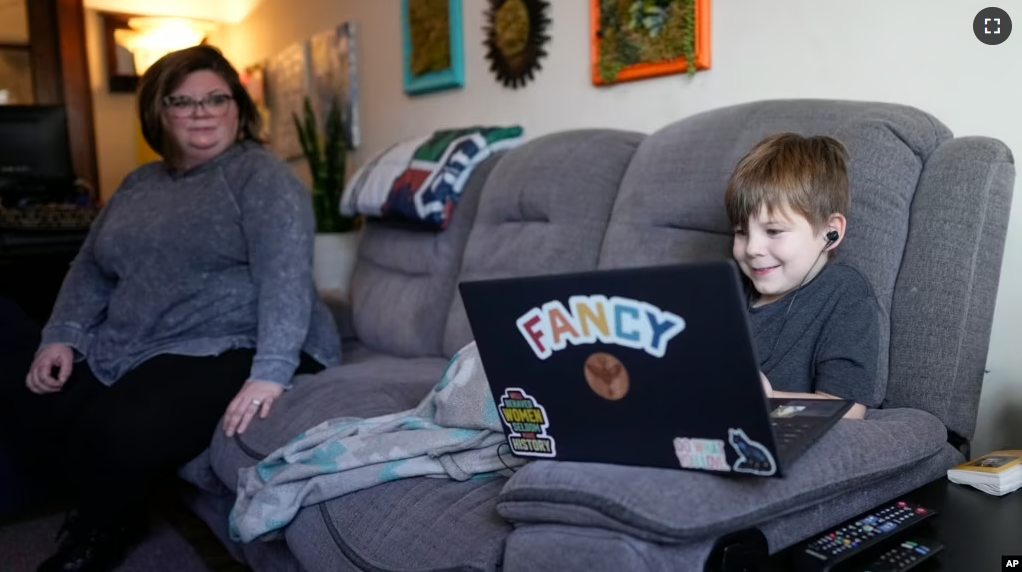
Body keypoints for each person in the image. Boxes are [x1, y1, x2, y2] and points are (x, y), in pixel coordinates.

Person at [0, 45, 342, 572]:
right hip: (149, 339)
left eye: (215, 99)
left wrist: (270, 373)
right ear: (158, 112)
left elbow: (285, 278)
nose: (202, 112)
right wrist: (61, 335)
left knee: (118, 429)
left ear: (238, 109)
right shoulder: (139, 184)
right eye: (183, 101)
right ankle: (123, 505)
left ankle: (100, 531)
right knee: (42, 400)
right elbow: (90, 268)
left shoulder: (261, 176)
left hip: (244, 339)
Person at [724, 133, 882, 421]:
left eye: (773, 231)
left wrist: (766, 400)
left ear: (829, 232)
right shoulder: (726, 287)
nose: (752, 248)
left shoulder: (846, 295)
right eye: (741, 232)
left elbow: (848, 409)